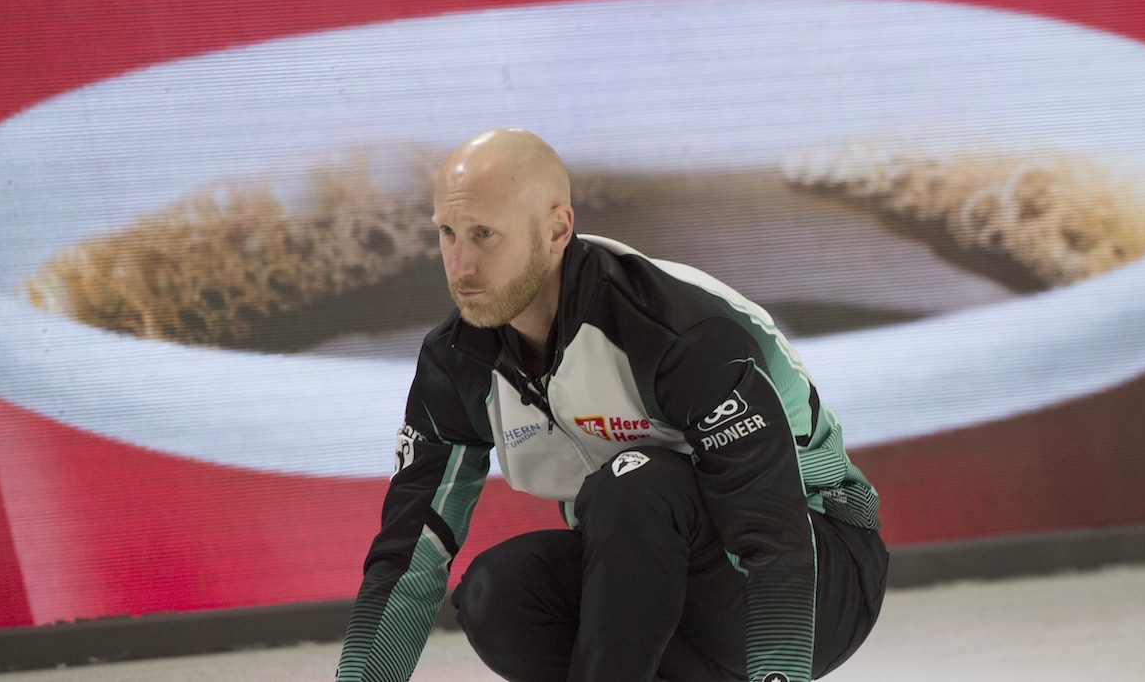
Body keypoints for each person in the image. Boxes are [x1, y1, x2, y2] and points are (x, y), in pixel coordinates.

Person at [335, 128, 887, 682]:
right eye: (448, 234)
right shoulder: (457, 362)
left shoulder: (674, 330)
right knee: (495, 594)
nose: (461, 266)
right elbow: (411, 555)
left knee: (634, 482)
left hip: (817, 568)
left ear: (557, 230)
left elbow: (775, 540)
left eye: (484, 235)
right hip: (660, 576)